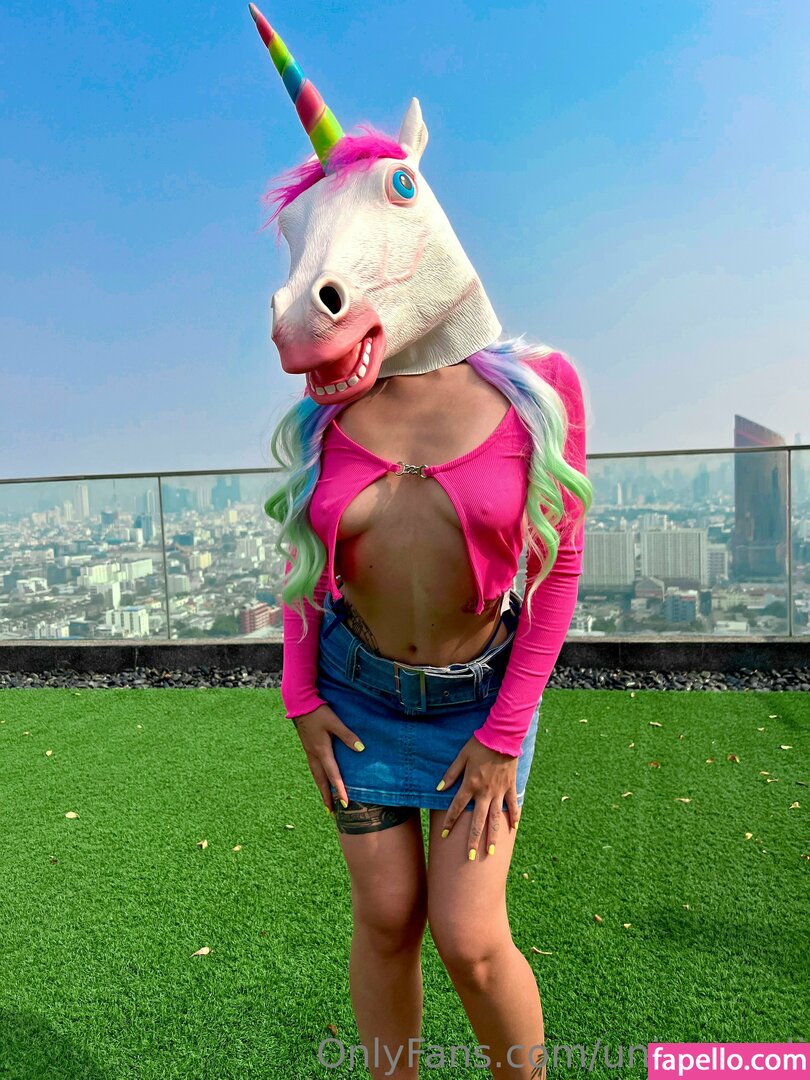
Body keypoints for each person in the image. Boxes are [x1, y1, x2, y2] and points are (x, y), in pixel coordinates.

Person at [250, 6, 593, 1076]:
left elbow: (559, 571)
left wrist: (504, 732)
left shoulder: (541, 391)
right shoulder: (327, 417)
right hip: (355, 702)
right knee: (388, 919)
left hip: (479, 707)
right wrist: (301, 699)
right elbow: (306, 572)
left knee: (471, 940)